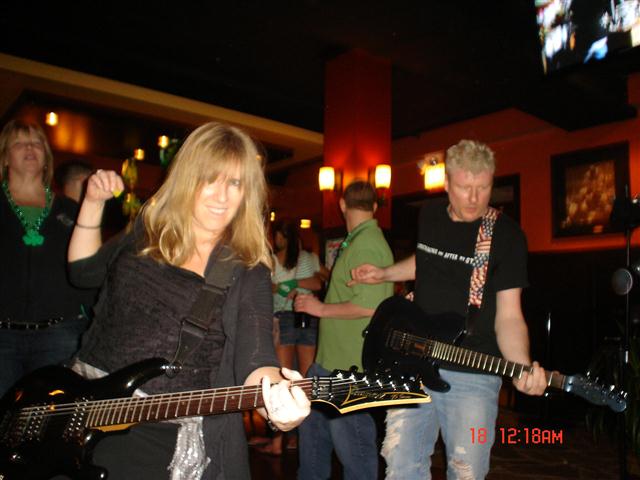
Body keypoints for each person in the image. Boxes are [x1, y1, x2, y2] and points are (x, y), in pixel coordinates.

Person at [66, 122, 311, 480]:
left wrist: (280, 402)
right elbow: (83, 274)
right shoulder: (146, 231)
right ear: (186, 178)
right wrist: (92, 203)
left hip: (163, 437)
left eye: (235, 183)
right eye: (210, 178)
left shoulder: (246, 266)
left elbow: (256, 357)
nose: (222, 195)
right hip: (77, 408)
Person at [350, 140, 548, 479]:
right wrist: (385, 273)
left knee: (466, 471)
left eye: (483, 187)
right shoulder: (429, 215)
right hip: (412, 362)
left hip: (473, 371)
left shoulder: (507, 236)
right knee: (400, 464)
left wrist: (521, 367)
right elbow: (427, 263)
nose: (474, 198)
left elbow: (510, 316)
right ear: (446, 184)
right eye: (464, 187)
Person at [294, 180, 394, 480]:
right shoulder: (358, 240)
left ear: (341, 205)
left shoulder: (367, 243)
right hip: (330, 361)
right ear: (374, 207)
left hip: (349, 365)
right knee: (312, 440)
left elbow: (370, 306)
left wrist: (319, 308)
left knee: (354, 450)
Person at [0, 119, 95, 396]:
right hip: (2, 335)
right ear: (5, 156)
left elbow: (86, 268)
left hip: (59, 335)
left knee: (46, 422)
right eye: (19, 142)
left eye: (37, 142)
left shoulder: (69, 209)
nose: (30, 147)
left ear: (47, 158)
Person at [255, 220, 323, 455]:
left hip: (297, 317)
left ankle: (291, 441)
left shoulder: (302, 257)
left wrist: (290, 284)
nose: (276, 240)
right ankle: (287, 440)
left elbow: (316, 282)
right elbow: (267, 286)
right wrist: (287, 286)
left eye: (278, 235)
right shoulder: (277, 259)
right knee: (292, 380)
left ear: (284, 236)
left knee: (294, 379)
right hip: (292, 317)